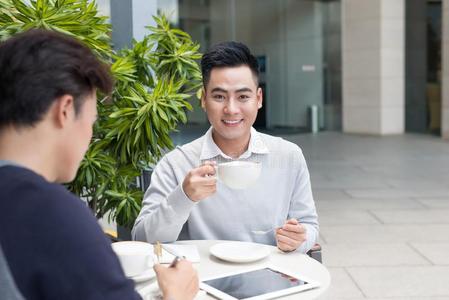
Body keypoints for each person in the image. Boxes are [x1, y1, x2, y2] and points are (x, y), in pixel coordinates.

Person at [0, 29, 198, 300]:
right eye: (92, 121)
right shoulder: (52, 214)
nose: (90, 137)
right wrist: (177, 294)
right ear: (66, 110)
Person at [133, 41, 319, 253]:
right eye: (219, 96)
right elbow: (143, 239)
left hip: (272, 280)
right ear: (204, 99)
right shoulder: (176, 163)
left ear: (258, 99)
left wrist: (298, 239)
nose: (231, 109)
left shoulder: (289, 156)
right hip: (201, 282)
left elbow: (308, 226)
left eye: (243, 97)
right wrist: (183, 197)